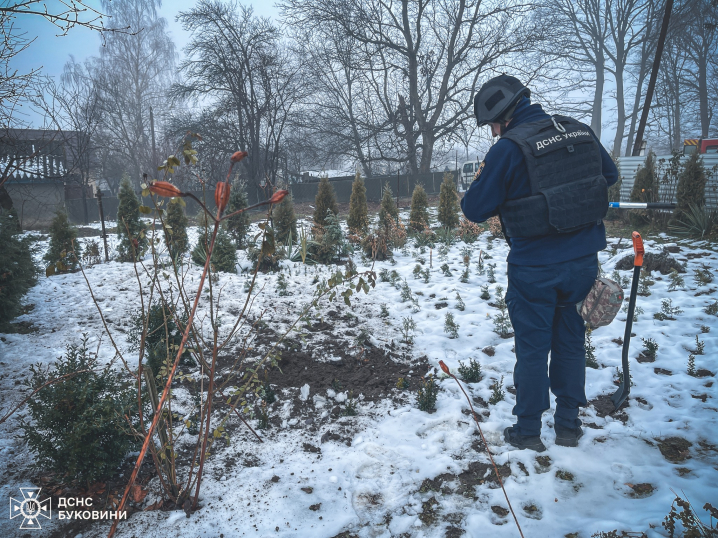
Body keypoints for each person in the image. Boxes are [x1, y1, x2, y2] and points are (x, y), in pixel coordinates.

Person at [461, 75, 618, 452]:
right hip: (582, 263)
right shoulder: (578, 131)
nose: (495, 133)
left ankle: (528, 432)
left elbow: (474, 209)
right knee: (570, 342)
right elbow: (609, 176)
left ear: (502, 118)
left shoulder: (508, 149)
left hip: (535, 268)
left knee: (532, 348)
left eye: (493, 126)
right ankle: (568, 425)